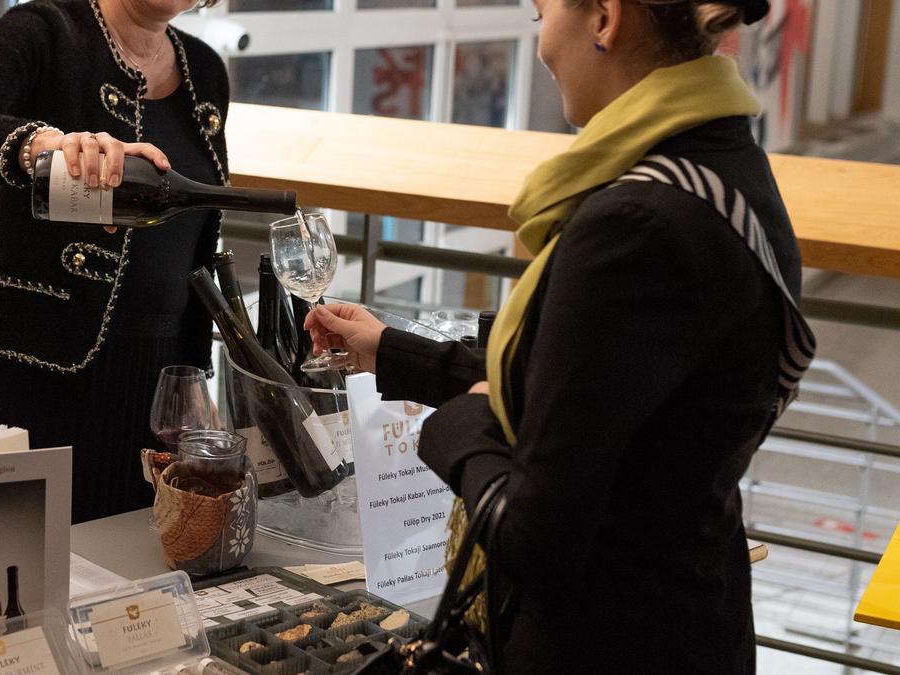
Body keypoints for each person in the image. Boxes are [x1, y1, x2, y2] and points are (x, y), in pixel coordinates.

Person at [306, 0, 812, 671]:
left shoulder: (633, 224)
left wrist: (455, 430)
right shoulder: (728, 169)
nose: (541, 43)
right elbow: (596, 387)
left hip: (605, 640)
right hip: (694, 617)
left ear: (604, 18)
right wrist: (393, 353)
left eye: (540, 11)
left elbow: (534, 541)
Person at [0, 0, 228, 523]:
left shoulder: (204, 69)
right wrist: (38, 145)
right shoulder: (45, 32)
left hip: (155, 387)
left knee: (137, 562)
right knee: (21, 560)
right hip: (33, 379)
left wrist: (194, 383)